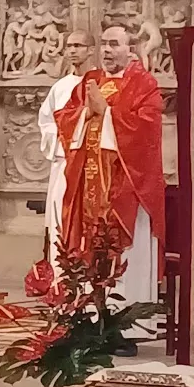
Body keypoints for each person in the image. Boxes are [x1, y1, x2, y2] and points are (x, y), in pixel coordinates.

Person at [54, 25, 167, 313]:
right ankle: (92, 317)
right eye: (103, 44)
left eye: (114, 44)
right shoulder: (90, 80)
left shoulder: (144, 84)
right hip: (89, 184)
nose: (106, 50)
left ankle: (128, 323)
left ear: (130, 49)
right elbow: (65, 118)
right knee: (90, 247)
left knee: (124, 252)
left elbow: (148, 130)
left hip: (126, 186)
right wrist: (84, 113)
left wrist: (108, 114)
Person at [35, 31, 94, 274]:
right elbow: (46, 124)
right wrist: (64, 140)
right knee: (61, 221)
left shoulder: (99, 84)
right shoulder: (60, 88)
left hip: (91, 166)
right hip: (64, 164)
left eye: (78, 45)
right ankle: (63, 284)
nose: (72, 50)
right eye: (69, 46)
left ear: (91, 50)